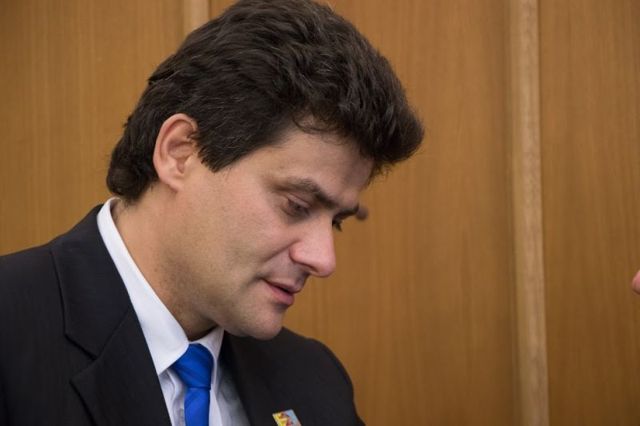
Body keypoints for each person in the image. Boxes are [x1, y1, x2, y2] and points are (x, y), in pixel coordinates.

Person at [0, 0, 423, 425]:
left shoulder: (315, 380)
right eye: (296, 206)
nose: (323, 260)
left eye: (335, 222)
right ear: (180, 153)